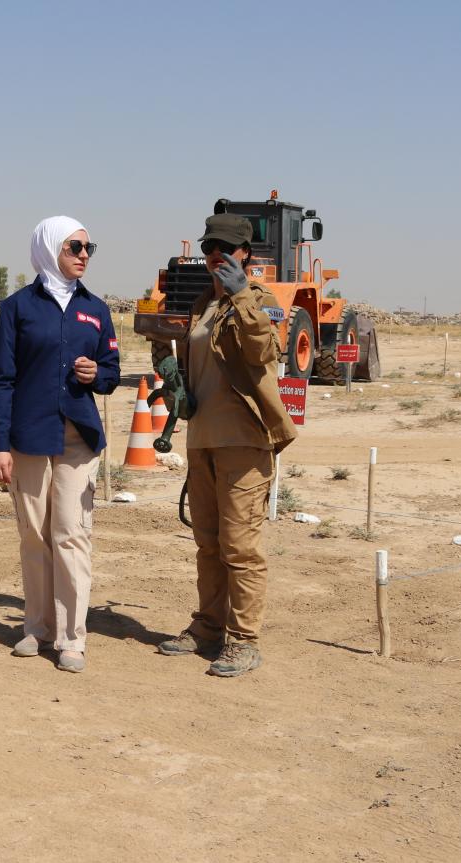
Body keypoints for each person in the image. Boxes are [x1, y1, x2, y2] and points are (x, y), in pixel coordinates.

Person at [152, 212, 298, 677]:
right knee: (209, 544)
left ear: (244, 254)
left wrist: (240, 296)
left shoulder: (260, 300)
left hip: (244, 441)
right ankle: (208, 627)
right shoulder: (201, 303)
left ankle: (243, 640)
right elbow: (182, 356)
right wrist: (169, 370)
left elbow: (262, 351)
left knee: (240, 547)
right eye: (210, 247)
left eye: (226, 248)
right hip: (202, 439)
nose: (216, 254)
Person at [0, 216, 121, 673]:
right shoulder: (16, 309)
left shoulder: (96, 310)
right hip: (28, 437)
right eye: (74, 247)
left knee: (71, 534)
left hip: (77, 438)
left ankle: (71, 638)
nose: (83, 255)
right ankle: (38, 628)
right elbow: (2, 381)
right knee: (34, 535)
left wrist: (97, 374)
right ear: (48, 249)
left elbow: (112, 372)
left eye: (88, 248)